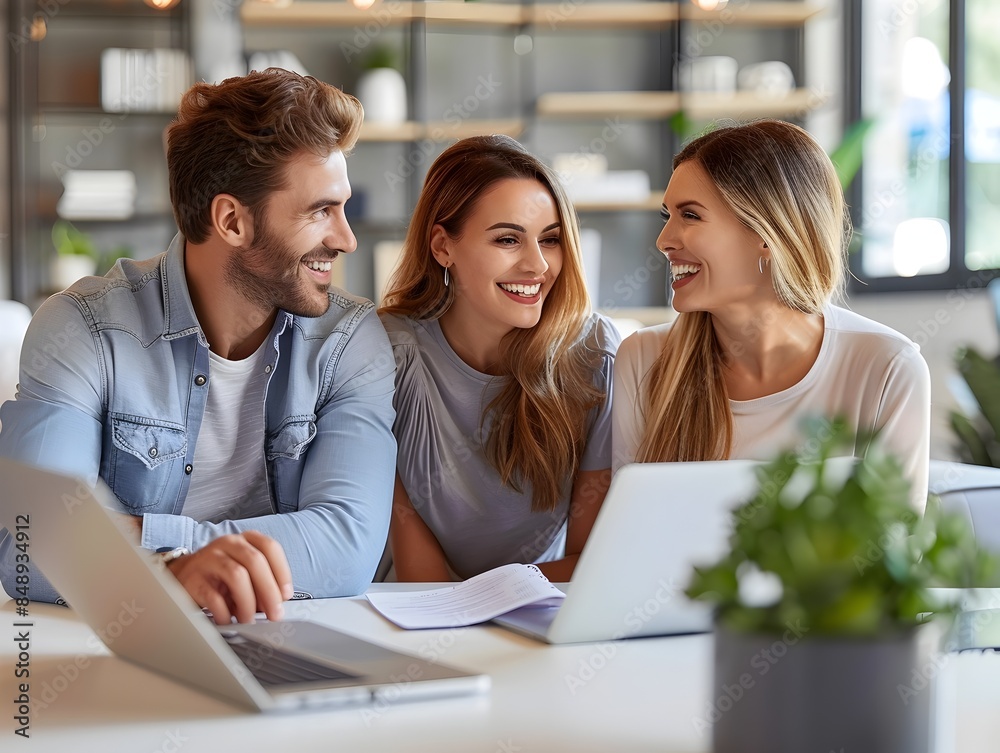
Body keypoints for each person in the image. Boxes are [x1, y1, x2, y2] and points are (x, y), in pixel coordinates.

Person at [0, 69, 397, 623]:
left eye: (343, 208)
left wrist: (155, 551)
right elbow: (31, 544)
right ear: (232, 221)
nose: (346, 238)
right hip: (132, 640)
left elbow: (347, 549)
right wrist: (172, 570)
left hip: (294, 636)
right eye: (319, 211)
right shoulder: (81, 328)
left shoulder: (349, 341)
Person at [612, 120, 931, 510]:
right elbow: (628, 536)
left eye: (690, 216)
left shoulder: (886, 368)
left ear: (766, 233)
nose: (664, 241)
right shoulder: (643, 359)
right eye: (668, 217)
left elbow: (896, 551)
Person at [378, 135, 620, 582]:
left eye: (550, 240)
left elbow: (590, 562)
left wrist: (500, 603)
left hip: (535, 610)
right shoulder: (388, 354)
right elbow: (419, 573)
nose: (538, 266)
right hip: (410, 616)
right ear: (442, 246)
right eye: (508, 239)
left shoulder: (596, 355)